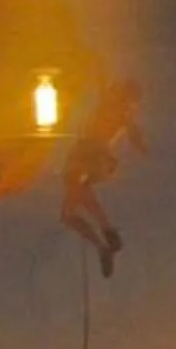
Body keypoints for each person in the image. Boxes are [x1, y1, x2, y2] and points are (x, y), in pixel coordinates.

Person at [60, 78, 146, 277]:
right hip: (90, 154)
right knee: (70, 210)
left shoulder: (116, 108)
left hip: (89, 153)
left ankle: (107, 233)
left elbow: (131, 131)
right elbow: (133, 133)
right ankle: (104, 241)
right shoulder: (118, 109)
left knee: (77, 192)